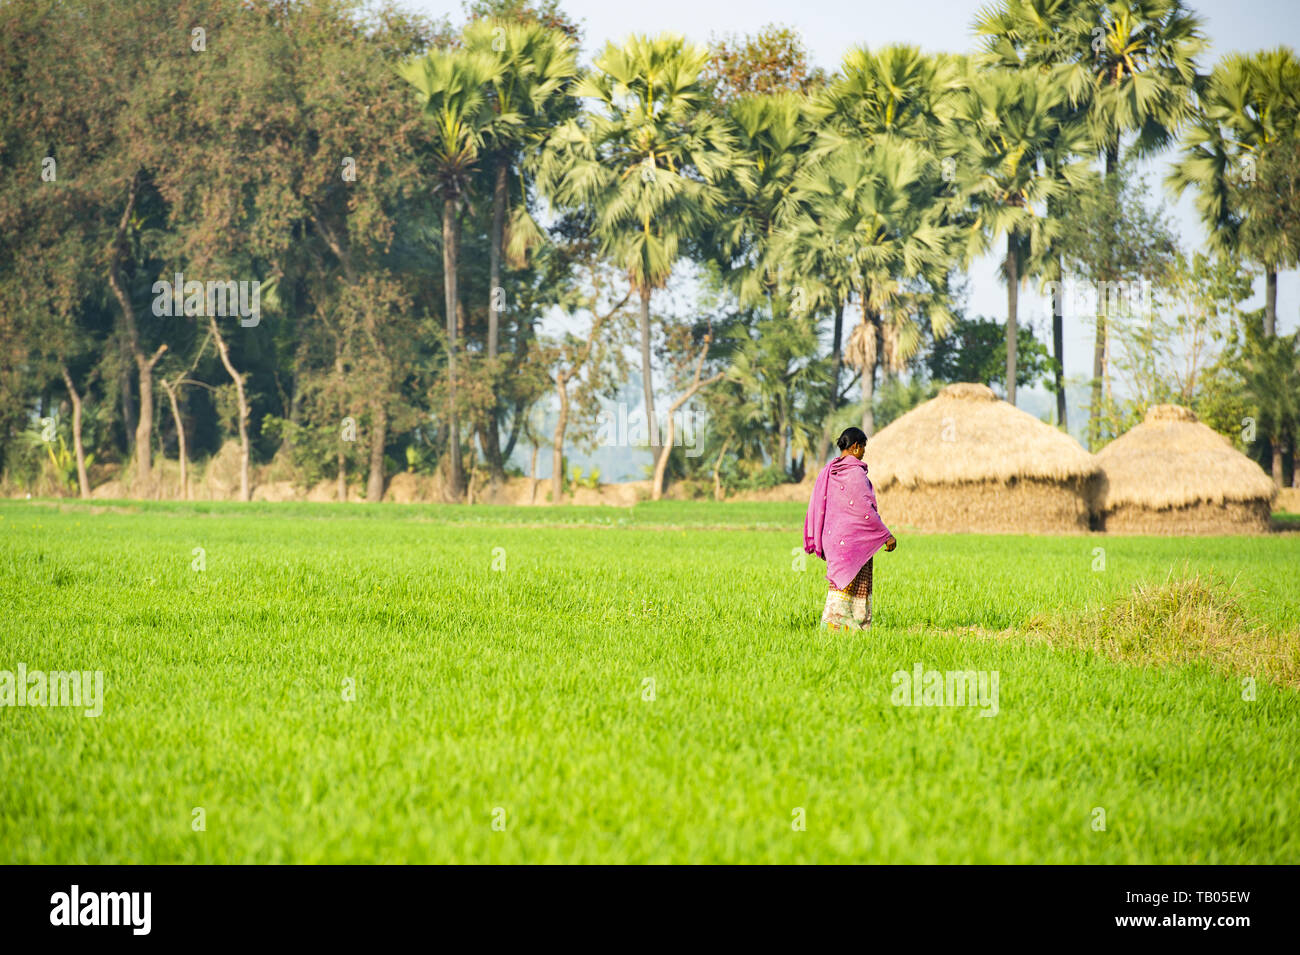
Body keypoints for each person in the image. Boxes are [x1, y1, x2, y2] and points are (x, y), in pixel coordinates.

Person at [803, 427, 896, 631]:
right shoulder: (854, 473)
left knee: (840, 584)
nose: (864, 452)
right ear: (855, 447)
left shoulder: (829, 471)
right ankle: (848, 629)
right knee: (853, 584)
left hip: (835, 540)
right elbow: (865, 510)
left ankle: (838, 631)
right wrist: (886, 535)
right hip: (854, 541)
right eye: (863, 447)